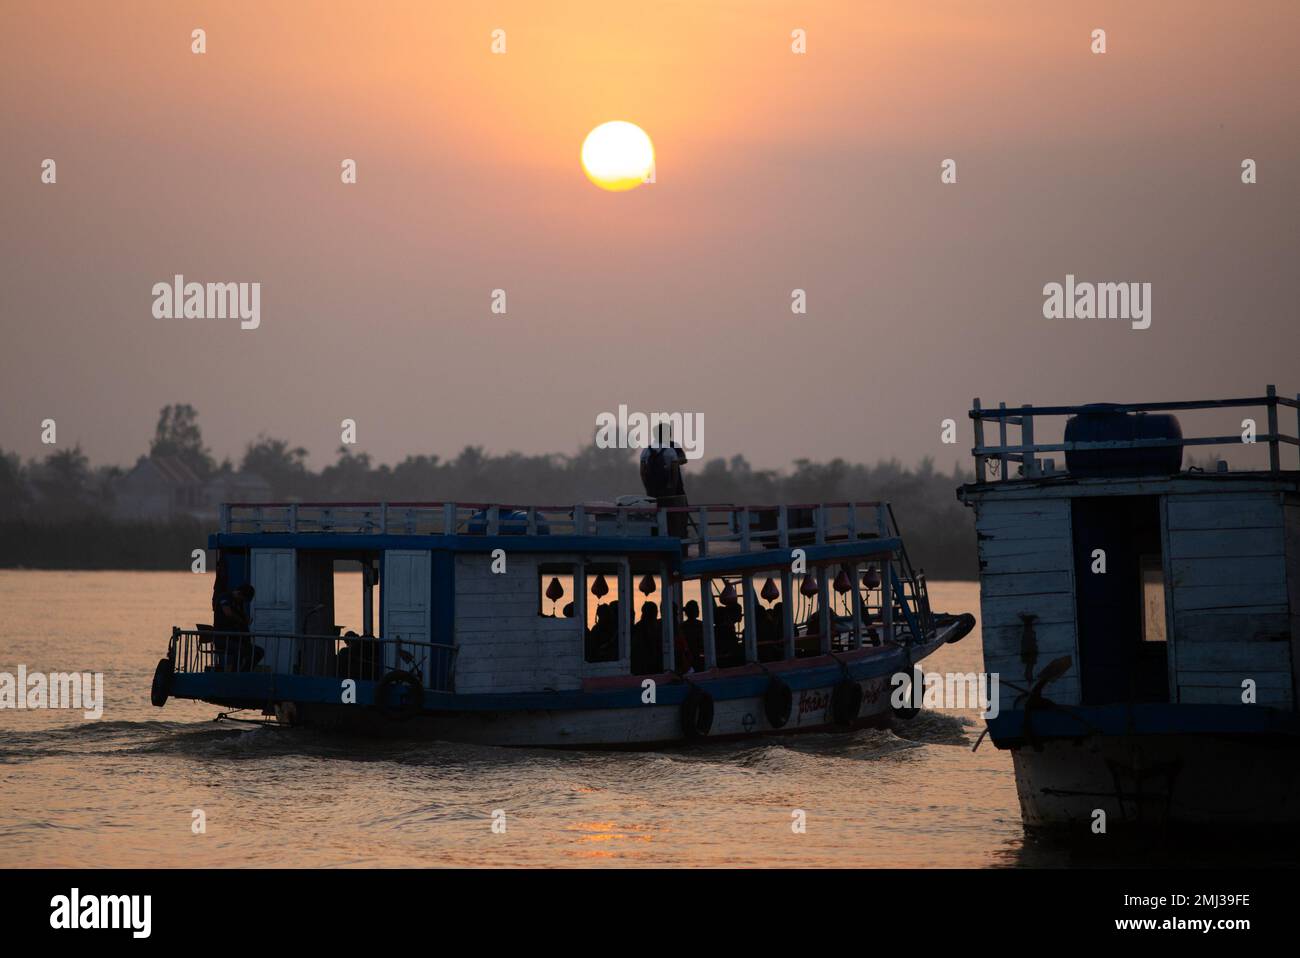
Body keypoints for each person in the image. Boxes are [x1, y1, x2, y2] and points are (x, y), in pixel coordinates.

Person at [640, 423, 689, 539]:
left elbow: (642, 472)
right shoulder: (672, 448)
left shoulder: (648, 449)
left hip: (652, 490)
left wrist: (647, 487)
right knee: (679, 513)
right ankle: (679, 537)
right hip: (675, 489)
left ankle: (656, 537)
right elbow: (683, 460)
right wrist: (673, 463)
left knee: (655, 514)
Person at [212, 584, 262, 671]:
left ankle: (244, 672)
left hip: (235, 639)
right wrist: (241, 621)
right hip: (222, 638)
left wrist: (245, 620)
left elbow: (244, 617)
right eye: (242, 599)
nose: (242, 601)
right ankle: (234, 673)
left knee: (258, 652)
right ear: (239, 593)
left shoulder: (239, 602)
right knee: (240, 650)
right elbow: (228, 613)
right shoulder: (225, 597)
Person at [631, 601, 662, 675]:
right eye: (654, 612)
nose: (656, 614)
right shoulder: (641, 628)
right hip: (645, 668)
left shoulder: (638, 627)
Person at [677, 600, 705, 673]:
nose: (699, 610)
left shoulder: (682, 627)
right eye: (697, 608)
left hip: (687, 658)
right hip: (695, 657)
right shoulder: (701, 625)